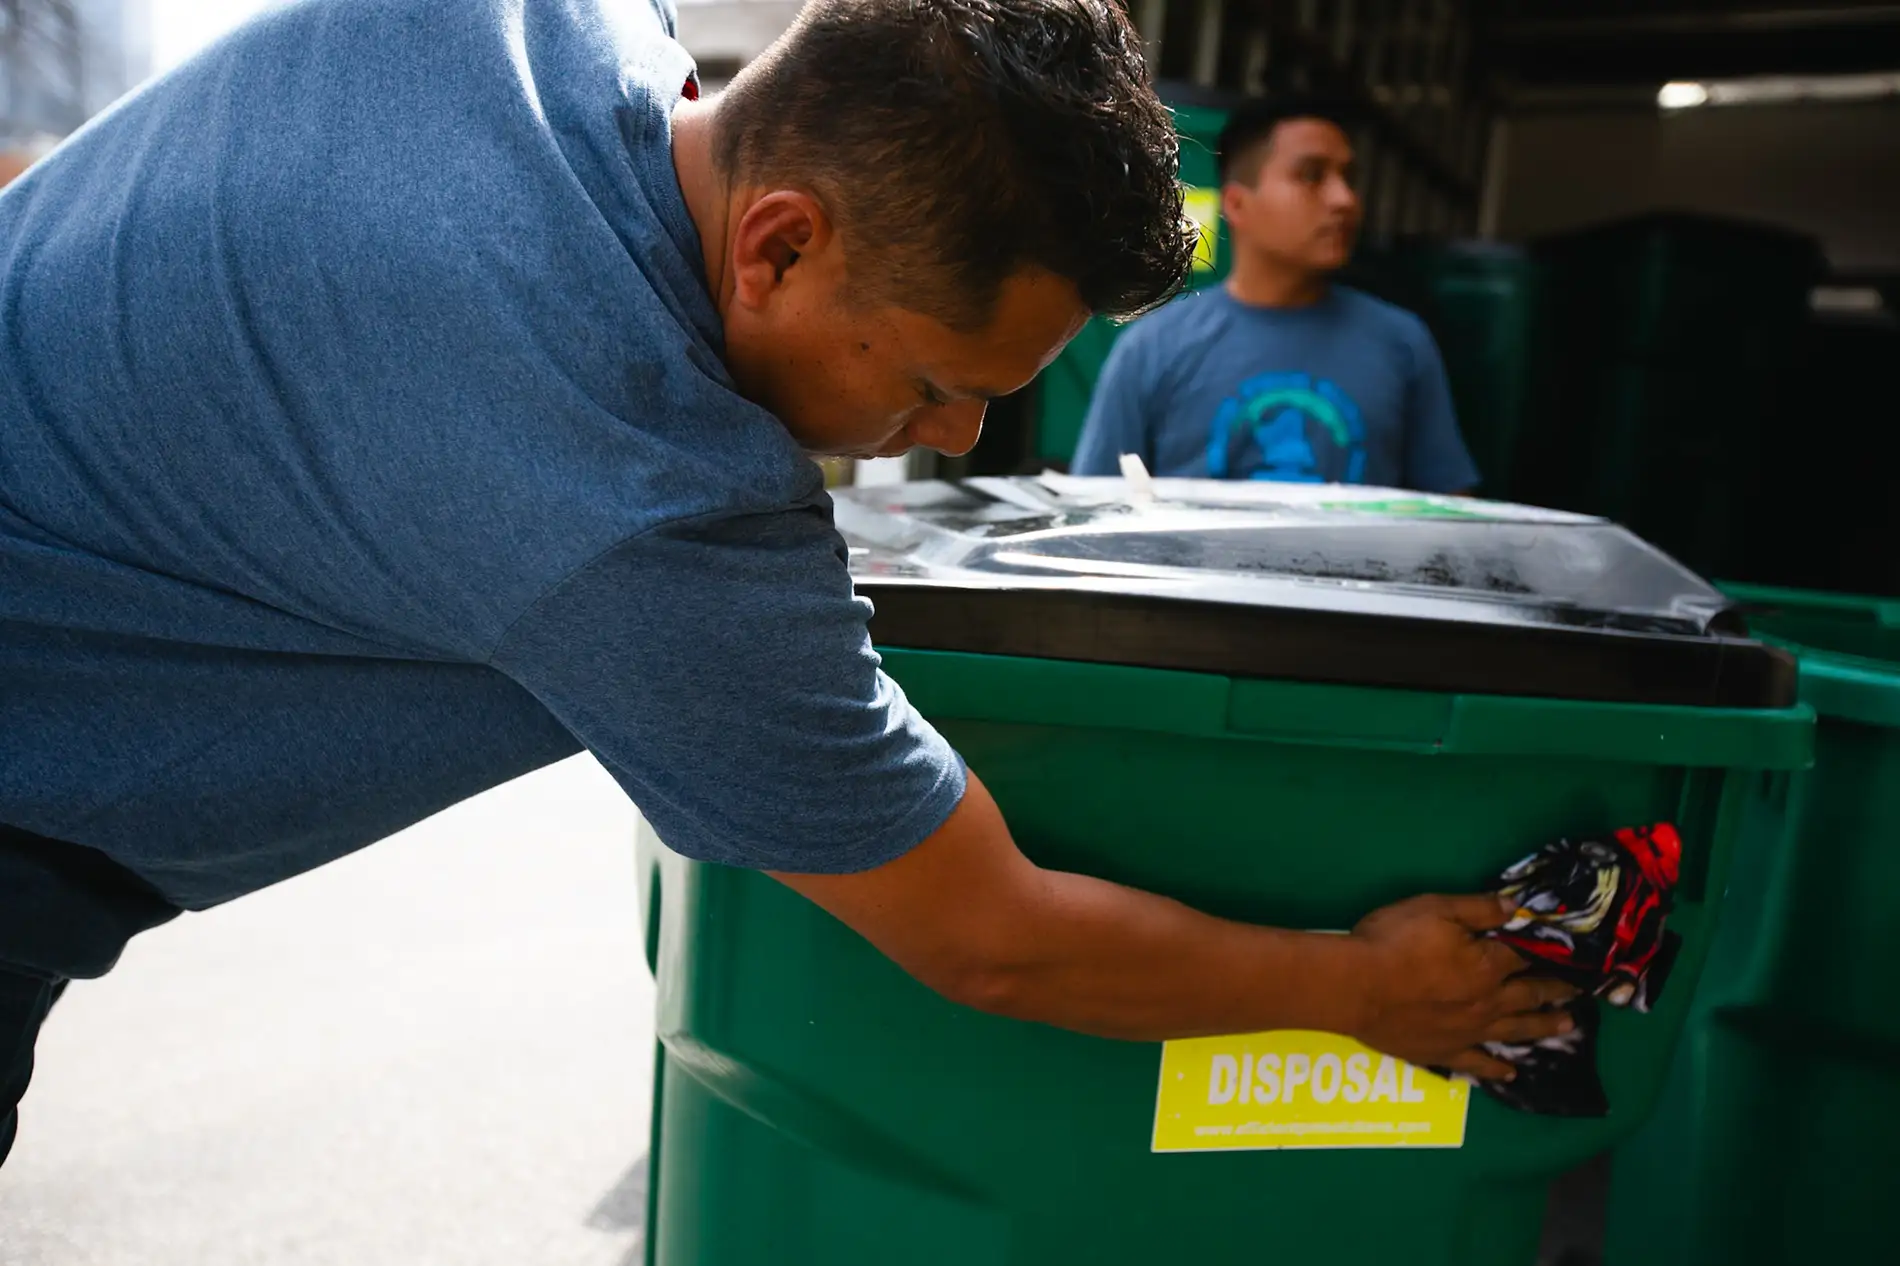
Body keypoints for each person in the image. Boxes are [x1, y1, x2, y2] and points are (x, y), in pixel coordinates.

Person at [0, 0, 1571, 1175]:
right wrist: (1368, 990)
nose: (955, 437)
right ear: (777, 245)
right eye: (942, 383)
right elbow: (993, 937)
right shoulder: (641, 503)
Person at [1073, 97, 1480, 492]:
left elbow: (1448, 516)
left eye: (1349, 178)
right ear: (1236, 204)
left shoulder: (1402, 343)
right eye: (1312, 175)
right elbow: (1098, 511)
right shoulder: (1152, 349)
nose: (1345, 200)